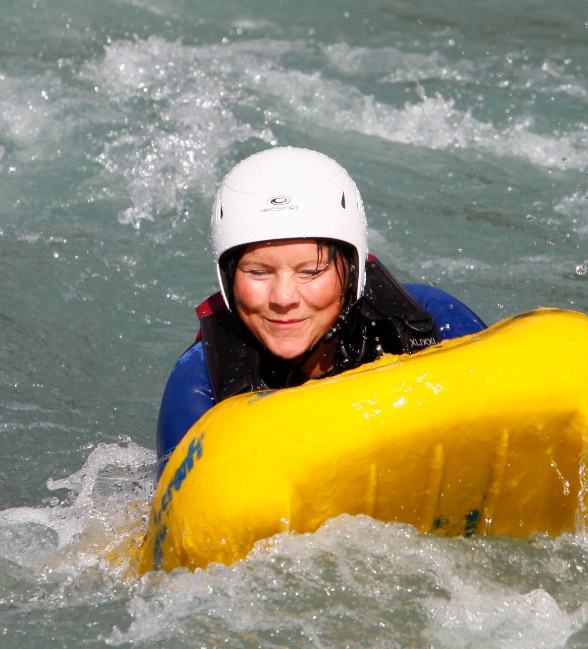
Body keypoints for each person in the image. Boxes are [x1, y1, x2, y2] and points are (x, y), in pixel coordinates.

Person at [156, 147, 486, 476]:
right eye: (258, 273)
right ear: (227, 280)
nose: (283, 298)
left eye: (311, 271)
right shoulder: (203, 381)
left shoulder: (423, 323)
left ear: (352, 273)